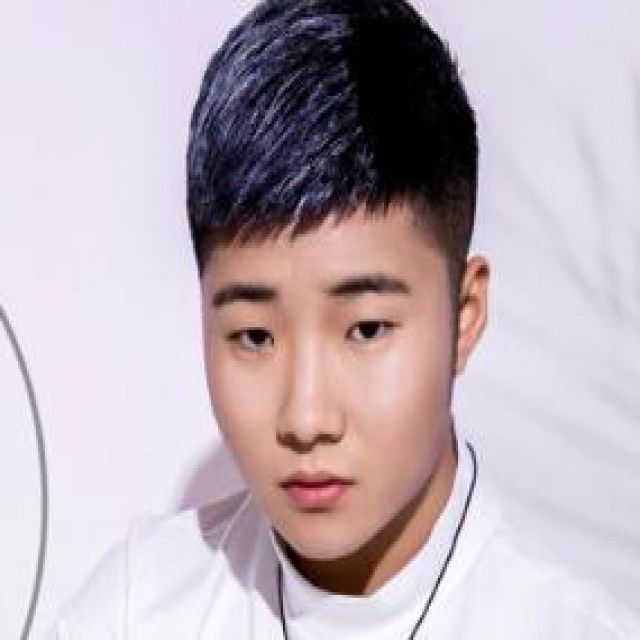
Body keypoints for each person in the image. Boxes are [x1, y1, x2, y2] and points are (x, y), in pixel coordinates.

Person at [48, 0, 640, 637]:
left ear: (465, 316)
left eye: (366, 330)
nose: (307, 419)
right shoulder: (138, 609)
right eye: (254, 336)